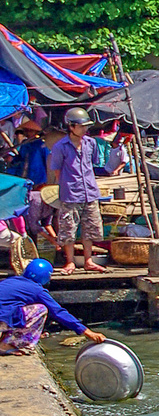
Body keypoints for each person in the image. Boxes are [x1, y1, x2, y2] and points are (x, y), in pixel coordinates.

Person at [0, 258, 107, 354]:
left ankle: (5, 338)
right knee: (40, 309)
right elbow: (58, 312)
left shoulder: (11, 280)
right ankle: (9, 344)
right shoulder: (37, 290)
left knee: (13, 307)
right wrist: (87, 331)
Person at [47, 107, 107, 274]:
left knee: (91, 228)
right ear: (71, 127)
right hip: (71, 193)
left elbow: (93, 164)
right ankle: (70, 262)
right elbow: (57, 170)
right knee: (68, 229)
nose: (85, 129)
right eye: (81, 126)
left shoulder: (91, 143)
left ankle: (89, 261)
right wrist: (67, 186)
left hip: (90, 192)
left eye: (86, 126)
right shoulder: (61, 147)